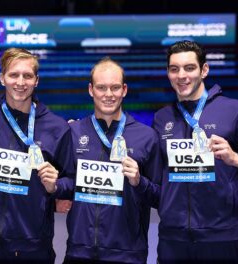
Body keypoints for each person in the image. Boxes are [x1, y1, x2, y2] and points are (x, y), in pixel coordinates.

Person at [153, 40, 238, 263]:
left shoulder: (234, 110)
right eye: (174, 69)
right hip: (173, 239)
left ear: (204, 70)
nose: (181, 75)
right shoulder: (162, 118)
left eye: (189, 68)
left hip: (221, 237)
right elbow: (155, 174)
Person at [0, 47, 75, 263]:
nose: (20, 82)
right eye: (14, 74)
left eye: (27, 75)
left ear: (37, 80)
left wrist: (56, 187)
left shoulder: (57, 127)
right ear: (2, 78)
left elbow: (72, 180)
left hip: (33, 245)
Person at [64, 57, 162, 263]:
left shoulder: (147, 136)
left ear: (124, 90)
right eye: (101, 88)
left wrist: (139, 181)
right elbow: (64, 184)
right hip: (79, 252)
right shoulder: (72, 132)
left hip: (127, 254)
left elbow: (161, 197)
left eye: (115, 87)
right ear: (91, 90)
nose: (108, 95)